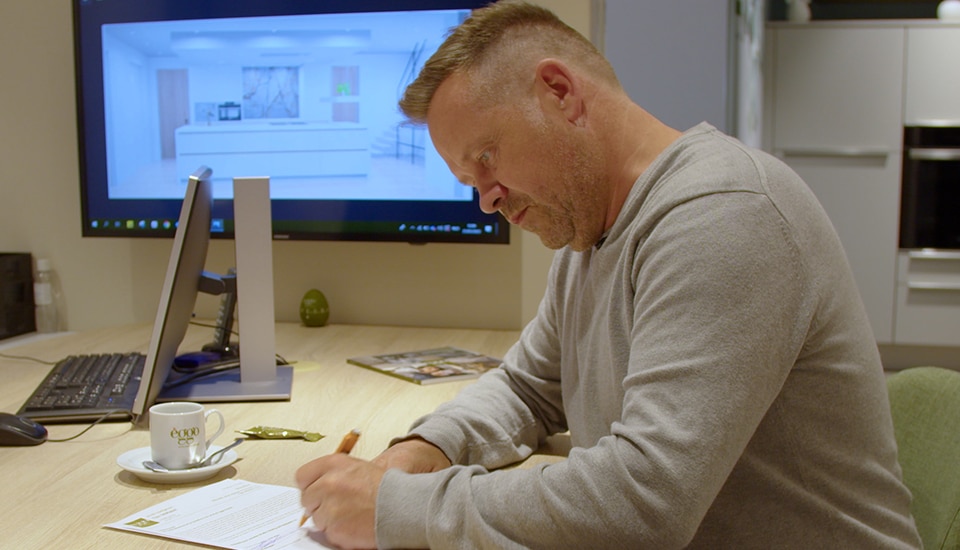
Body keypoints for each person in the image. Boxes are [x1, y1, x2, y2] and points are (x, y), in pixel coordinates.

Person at [296, 1, 922, 548]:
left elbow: (646, 503)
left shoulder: (725, 214)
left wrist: (398, 509)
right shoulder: (589, 232)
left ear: (560, 93)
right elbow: (527, 387)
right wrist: (422, 451)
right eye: (469, 180)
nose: (486, 199)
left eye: (486, 158)